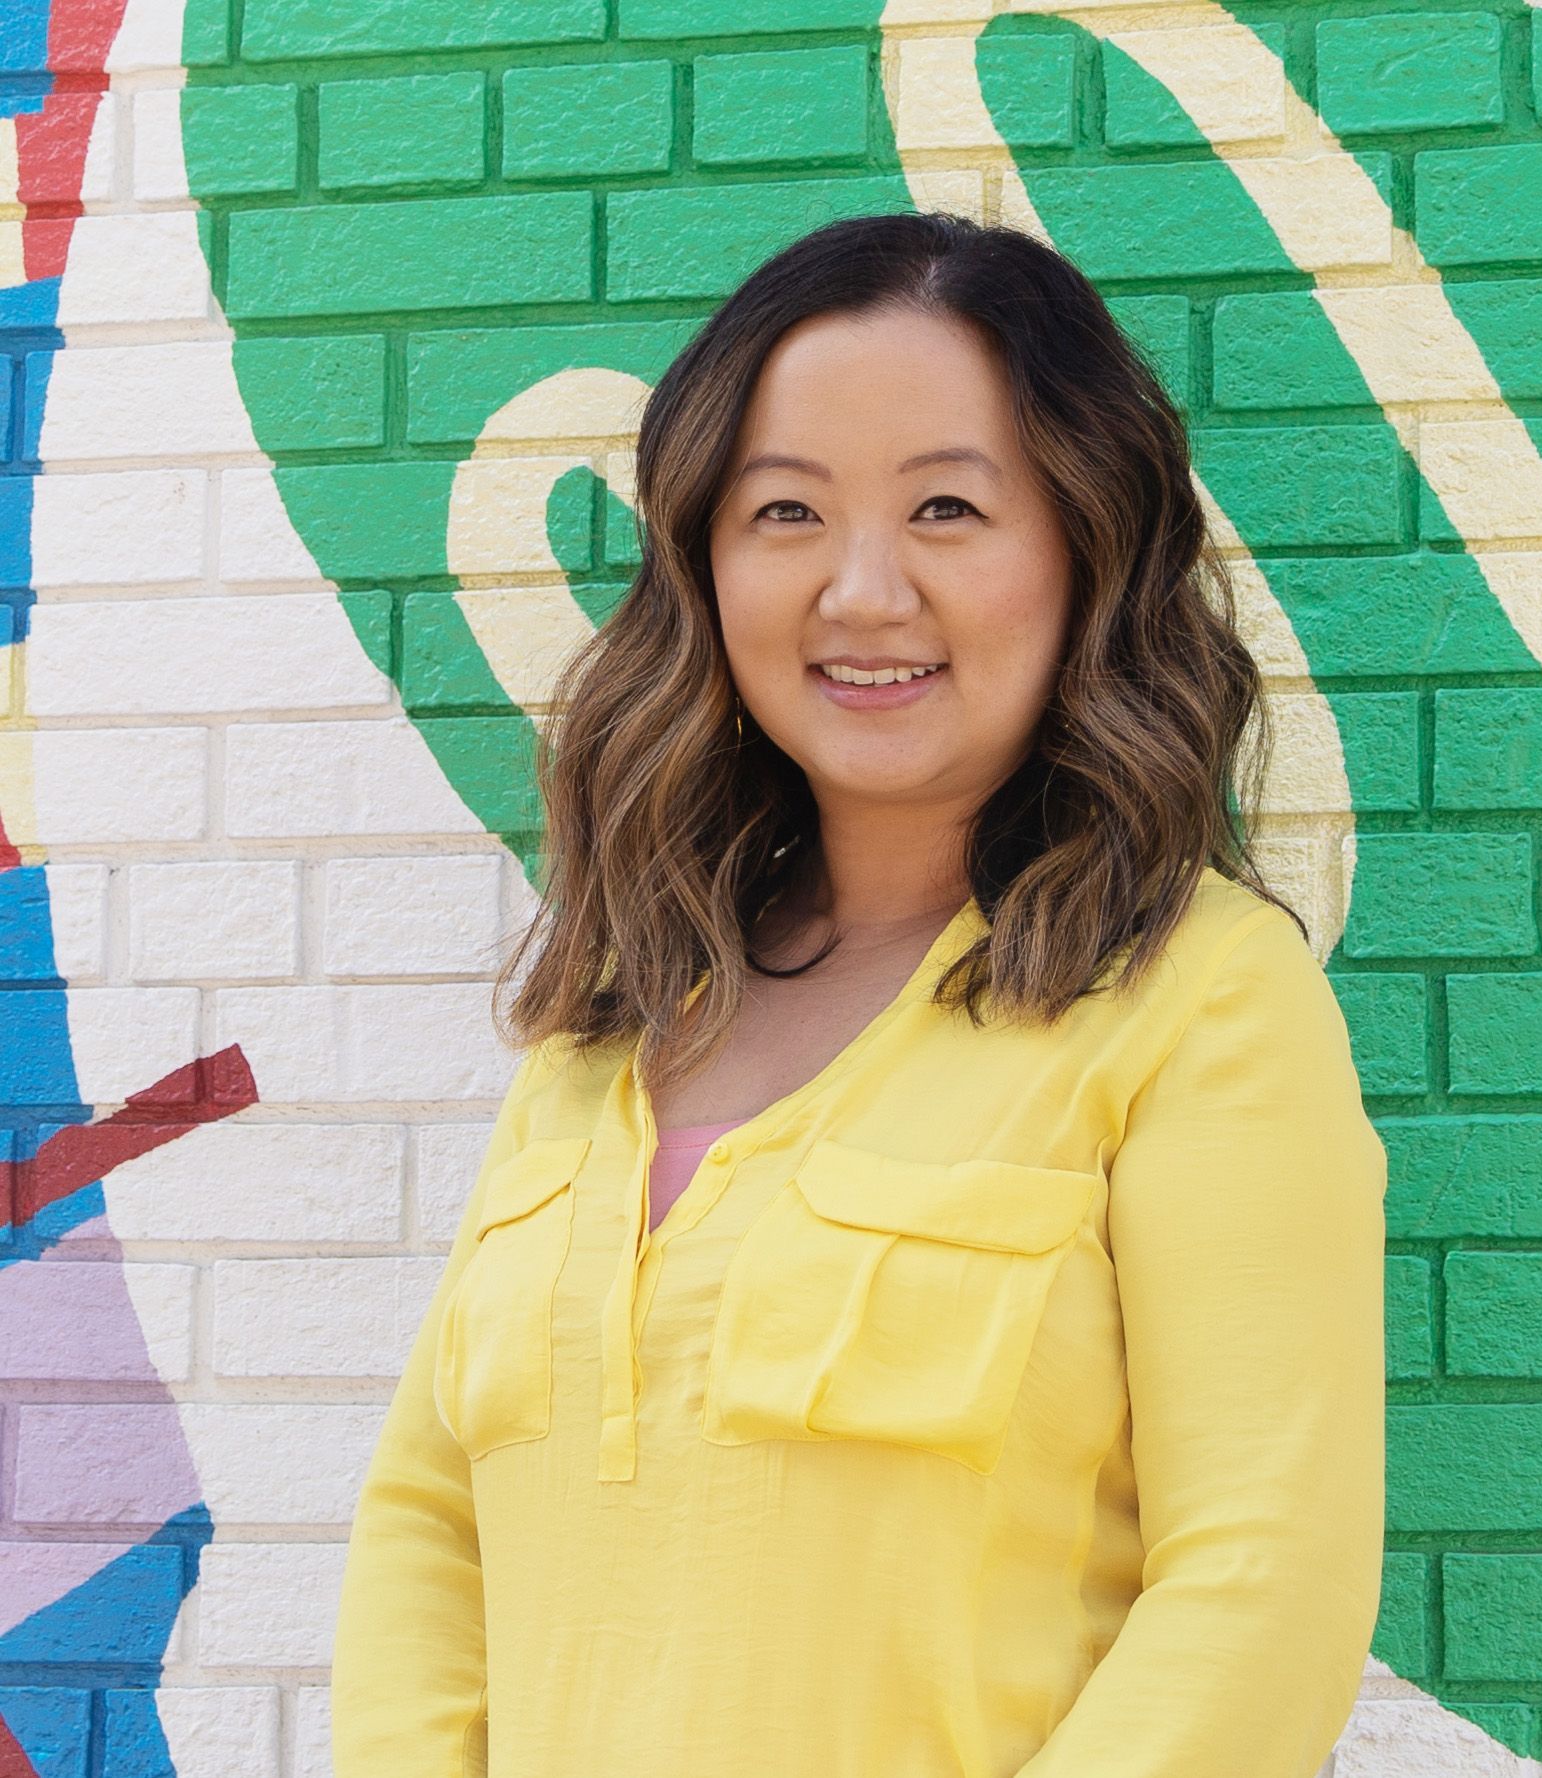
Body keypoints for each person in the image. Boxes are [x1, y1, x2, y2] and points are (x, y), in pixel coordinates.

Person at [329, 210, 1387, 1778]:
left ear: (1083, 549)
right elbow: (430, 1519)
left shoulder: (1197, 1002)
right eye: (785, 513)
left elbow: (1258, 1594)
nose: (862, 589)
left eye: (948, 507)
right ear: (704, 563)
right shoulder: (621, 1016)